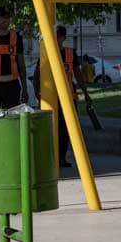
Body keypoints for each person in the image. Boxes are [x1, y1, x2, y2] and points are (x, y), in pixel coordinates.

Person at [33, 26, 91, 168]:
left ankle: (61, 158)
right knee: (51, 128)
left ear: (63, 38)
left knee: (66, 129)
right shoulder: (46, 53)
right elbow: (37, 75)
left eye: (58, 36)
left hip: (69, 97)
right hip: (51, 98)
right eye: (54, 36)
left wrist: (85, 92)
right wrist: (37, 93)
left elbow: (78, 74)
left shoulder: (71, 53)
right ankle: (51, 158)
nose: (56, 39)